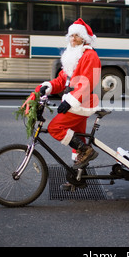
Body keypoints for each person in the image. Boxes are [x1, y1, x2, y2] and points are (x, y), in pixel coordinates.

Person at [36, 18, 102, 170]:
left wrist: (70, 101)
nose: (73, 39)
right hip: (76, 102)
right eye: (71, 35)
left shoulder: (89, 56)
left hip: (82, 102)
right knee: (77, 139)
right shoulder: (72, 55)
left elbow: (87, 82)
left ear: (84, 38)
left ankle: (87, 151)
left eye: (77, 35)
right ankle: (78, 175)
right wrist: (47, 87)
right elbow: (61, 80)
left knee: (55, 127)